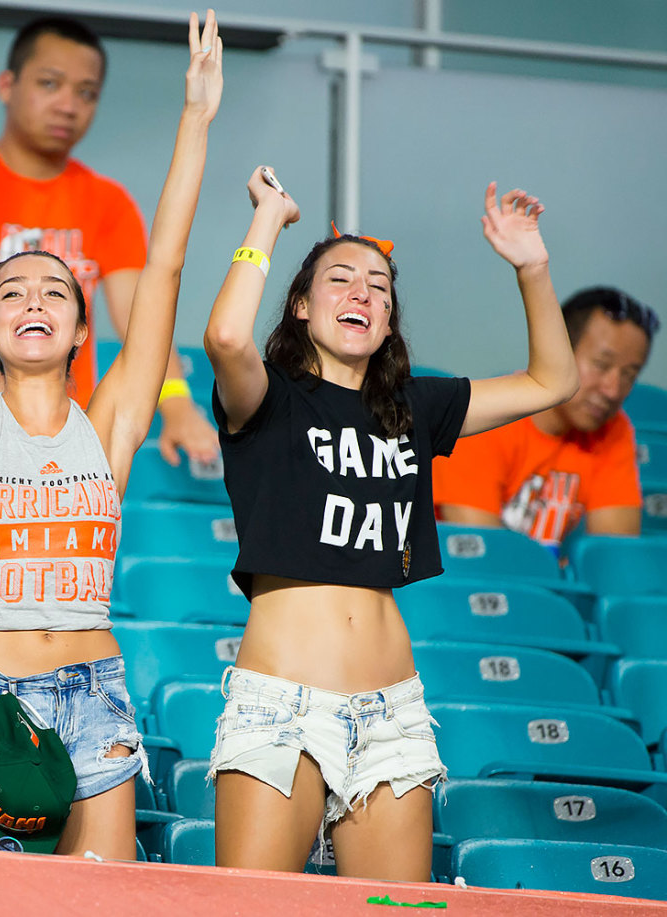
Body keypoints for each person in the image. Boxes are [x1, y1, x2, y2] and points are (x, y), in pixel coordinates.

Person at [0, 8, 222, 856]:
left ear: (84, 329)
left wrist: (195, 117)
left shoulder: (113, 422)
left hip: (96, 693)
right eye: (10, 291)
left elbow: (165, 266)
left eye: (56, 290)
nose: (34, 298)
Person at [202, 172, 578, 879]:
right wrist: (269, 221)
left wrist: (533, 267)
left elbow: (552, 382)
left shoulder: (414, 406)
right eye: (340, 279)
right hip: (282, 704)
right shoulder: (269, 401)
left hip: (393, 714)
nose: (362, 294)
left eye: (379, 286)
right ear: (302, 304)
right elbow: (225, 335)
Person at [0, 15, 218, 467]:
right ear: (7, 85)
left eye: (86, 93)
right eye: (50, 84)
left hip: (66, 429)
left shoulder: (108, 202)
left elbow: (141, 314)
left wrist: (177, 404)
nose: (69, 105)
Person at [433, 286, 658, 548]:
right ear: (557, 350)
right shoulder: (484, 415)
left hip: (540, 583)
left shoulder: (614, 430)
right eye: (601, 365)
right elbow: (484, 554)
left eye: (629, 374)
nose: (613, 390)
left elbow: (613, 556)